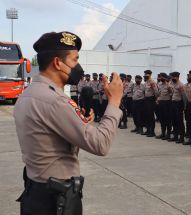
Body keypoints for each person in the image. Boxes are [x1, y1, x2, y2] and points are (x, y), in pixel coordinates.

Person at [14, 31, 123, 215]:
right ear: (58, 63)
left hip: (35, 193)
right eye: (74, 60)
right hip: (55, 200)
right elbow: (100, 144)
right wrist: (114, 102)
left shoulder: (29, 94)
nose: (77, 66)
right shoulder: (55, 100)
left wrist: (81, 124)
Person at [169, 72, 186, 143]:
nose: (172, 78)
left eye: (174, 77)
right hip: (173, 103)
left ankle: (181, 137)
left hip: (179, 103)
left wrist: (185, 106)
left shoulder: (181, 85)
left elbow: (184, 96)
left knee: (179, 121)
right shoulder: (172, 83)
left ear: (177, 77)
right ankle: (175, 136)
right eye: (172, 77)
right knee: (174, 120)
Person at [155, 73, 173, 140]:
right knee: (162, 119)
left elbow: (172, 94)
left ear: (165, 78)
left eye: (162, 77)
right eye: (160, 77)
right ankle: (163, 133)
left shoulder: (169, 85)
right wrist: (157, 100)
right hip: (160, 103)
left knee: (167, 119)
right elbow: (158, 93)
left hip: (167, 103)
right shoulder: (159, 84)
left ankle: (168, 134)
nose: (160, 78)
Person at [143, 70, 159, 137]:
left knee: (151, 116)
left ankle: (152, 132)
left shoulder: (152, 82)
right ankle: (148, 130)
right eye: (145, 74)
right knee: (147, 115)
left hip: (151, 99)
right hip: (146, 99)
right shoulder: (146, 82)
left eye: (147, 74)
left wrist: (156, 99)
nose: (145, 75)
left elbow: (156, 92)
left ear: (150, 75)